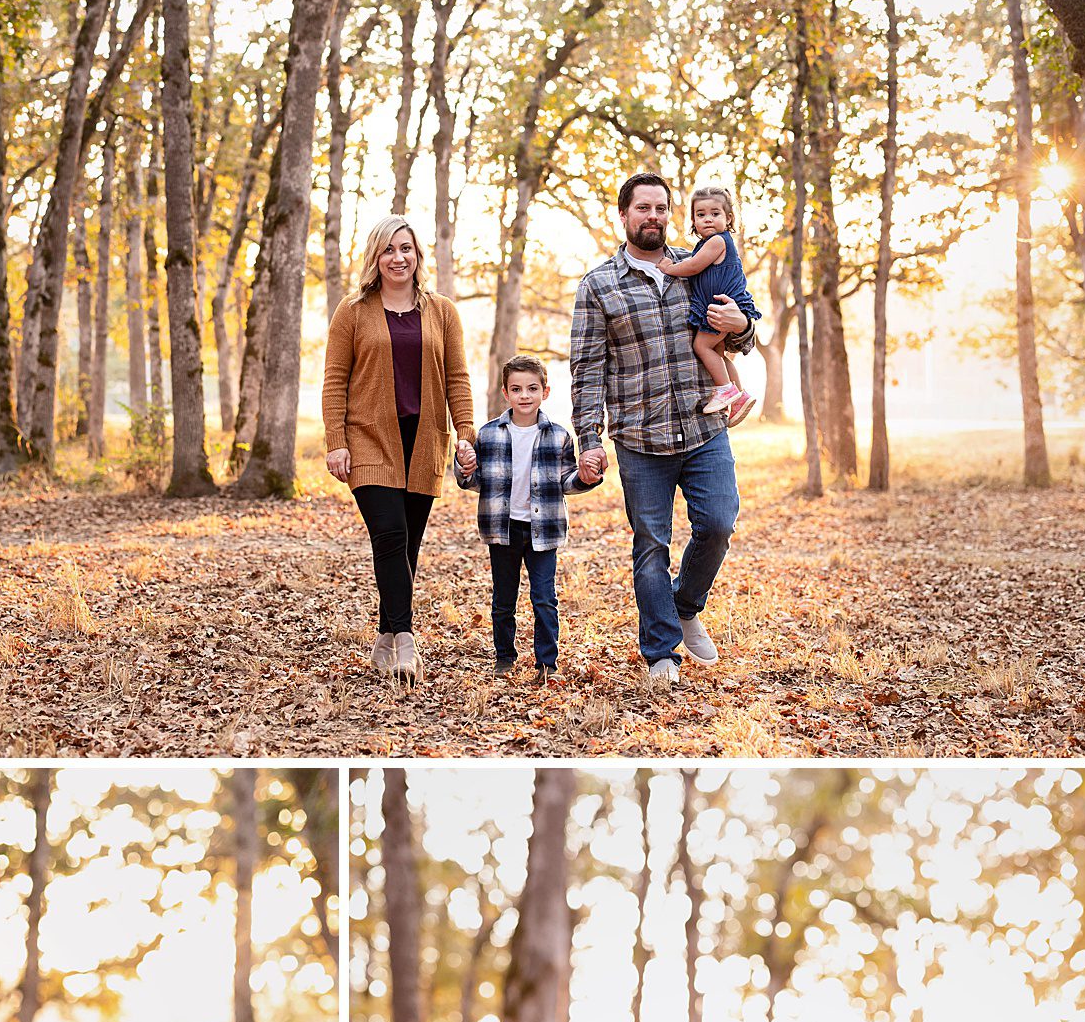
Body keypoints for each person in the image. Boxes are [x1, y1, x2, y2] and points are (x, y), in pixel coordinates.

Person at [568, 172, 758, 688]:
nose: (653, 216)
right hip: (640, 438)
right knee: (651, 545)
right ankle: (661, 653)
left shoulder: (697, 264)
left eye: (661, 208)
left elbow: (739, 332)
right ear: (623, 214)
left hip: (703, 429)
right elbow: (587, 369)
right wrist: (589, 439)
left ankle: (685, 605)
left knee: (718, 523)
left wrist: (742, 327)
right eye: (643, 208)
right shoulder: (598, 285)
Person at [321, 214, 476, 686]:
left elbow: (457, 377)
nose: (397, 258)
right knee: (389, 535)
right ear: (376, 256)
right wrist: (336, 441)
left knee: (407, 545)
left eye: (405, 248)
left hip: (424, 439)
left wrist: (465, 432)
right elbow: (334, 380)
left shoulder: (442, 311)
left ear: (417, 255)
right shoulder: (353, 310)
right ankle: (406, 639)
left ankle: (385, 636)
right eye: (388, 249)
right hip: (369, 438)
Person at [453, 355, 601, 678]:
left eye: (532, 388)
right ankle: (504, 658)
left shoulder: (559, 436)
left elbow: (566, 481)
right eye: (517, 389)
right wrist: (464, 466)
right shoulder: (488, 435)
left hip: (543, 530)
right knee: (503, 599)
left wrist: (585, 477)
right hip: (503, 529)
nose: (524, 395)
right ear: (505, 393)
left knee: (544, 598)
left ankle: (547, 664)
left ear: (545, 392)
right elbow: (474, 480)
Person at [658, 187, 760, 422]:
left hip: (719, 308)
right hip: (716, 306)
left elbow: (693, 266)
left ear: (729, 218)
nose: (708, 219)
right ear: (693, 220)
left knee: (701, 346)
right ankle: (740, 396)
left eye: (715, 213)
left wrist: (669, 268)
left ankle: (725, 390)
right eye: (701, 214)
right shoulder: (706, 244)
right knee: (718, 354)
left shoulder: (717, 241)